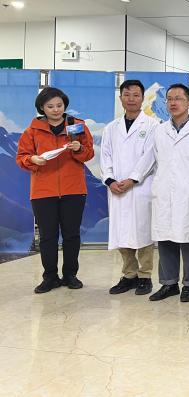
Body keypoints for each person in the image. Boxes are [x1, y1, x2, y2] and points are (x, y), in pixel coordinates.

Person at [16, 86, 95, 293]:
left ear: (64, 105)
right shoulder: (32, 131)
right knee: (47, 236)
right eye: (50, 106)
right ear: (42, 108)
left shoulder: (77, 126)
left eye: (59, 105)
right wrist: (33, 159)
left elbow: (89, 153)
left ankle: (70, 275)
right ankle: (50, 277)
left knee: (71, 235)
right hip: (43, 192)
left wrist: (79, 149)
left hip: (73, 189)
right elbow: (21, 157)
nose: (56, 109)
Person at [148, 83, 189, 303]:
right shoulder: (159, 131)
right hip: (164, 193)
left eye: (178, 98)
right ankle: (169, 284)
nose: (173, 103)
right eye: (169, 99)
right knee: (165, 238)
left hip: (188, 194)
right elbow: (154, 161)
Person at [101, 79, 159, 296]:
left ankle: (145, 276)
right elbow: (105, 155)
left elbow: (150, 156)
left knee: (143, 232)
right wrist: (109, 180)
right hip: (116, 188)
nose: (131, 99)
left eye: (136, 95)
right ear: (120, 98)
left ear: (143, 99)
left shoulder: (153, 126)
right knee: (122, 232)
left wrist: (133, 179)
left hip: (141, 187)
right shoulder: (111, 128)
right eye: (127, 94)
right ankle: (129, 275)